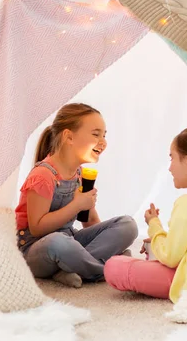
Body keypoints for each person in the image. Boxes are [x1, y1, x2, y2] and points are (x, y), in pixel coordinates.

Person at [104, 124, 187, 302]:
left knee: (114, 266)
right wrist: (161, 239)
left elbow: (171, 258)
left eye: (172, 158)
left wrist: (154, 225)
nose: (170, 167)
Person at [15, 103, 138, 288]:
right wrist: (76, 205)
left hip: (69, 239)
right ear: (69, 136)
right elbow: (37, 228)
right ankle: (106, 270)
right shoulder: (43, 176)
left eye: (104, 135)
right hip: (35, 249)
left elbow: (89, 222)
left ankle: (70, 268)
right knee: (58, 242)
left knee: (127, 224)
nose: (103, 141)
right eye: (96, 134)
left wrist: (111, 240)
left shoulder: (79, 174)